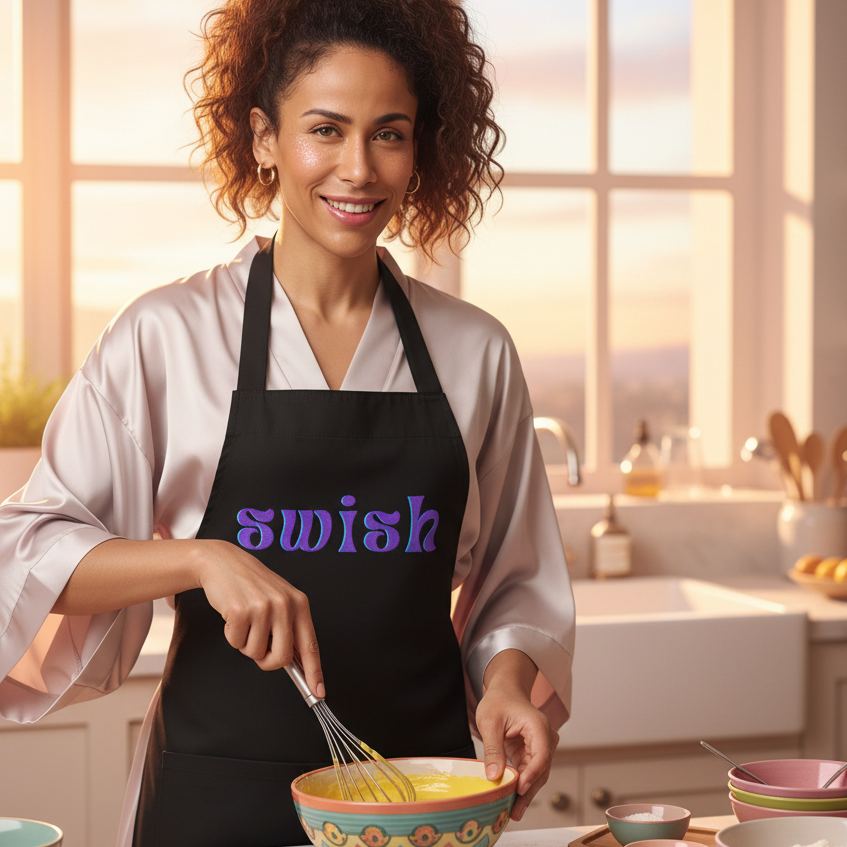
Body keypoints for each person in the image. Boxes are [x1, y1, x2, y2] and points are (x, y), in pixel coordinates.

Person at [0, 1, 575, 845]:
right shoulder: (168, 335)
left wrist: (508, 682)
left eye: (389, 133)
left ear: (422, 148)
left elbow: (517, 583)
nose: (358, 168)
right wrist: (200, 557)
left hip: (420, 795)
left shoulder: (473, 350)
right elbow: (27, 550)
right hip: (215, 792)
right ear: (265, 138)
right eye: (325, 130)